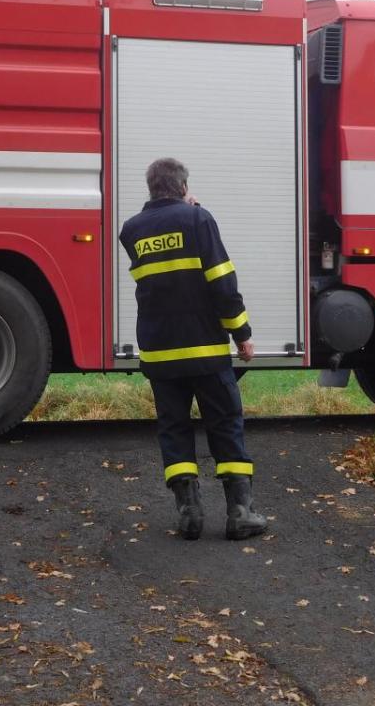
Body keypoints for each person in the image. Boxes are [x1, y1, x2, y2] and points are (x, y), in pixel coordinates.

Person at [118, 157, 267, 542]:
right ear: (183, 187)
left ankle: (189, 514)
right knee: (225, 423)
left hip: (159, 353)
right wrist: (241, 333)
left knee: (174, 428)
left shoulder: (131, 230)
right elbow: (222, 283)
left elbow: (164, 259)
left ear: (151, 188)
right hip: (204, 350)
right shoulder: (199, 220)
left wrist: (184, 211)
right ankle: (240, 513)